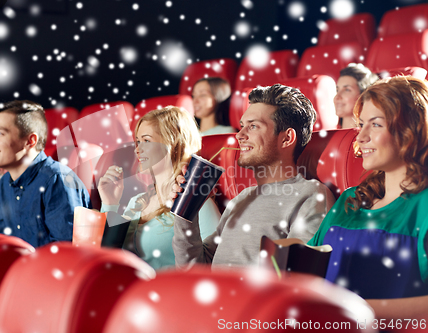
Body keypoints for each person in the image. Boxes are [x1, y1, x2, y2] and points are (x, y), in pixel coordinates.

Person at [171, 84, 336, 269]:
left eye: (253, 126)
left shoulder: (311, 194)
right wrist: (186, 215)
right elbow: (194, 270)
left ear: (287, 138)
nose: (240, 135)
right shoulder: (241, 198)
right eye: (242, 126)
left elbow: (292, 277)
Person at [308, 76, 428, 320]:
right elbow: (309, 266)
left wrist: (350, 313)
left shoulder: (423, 206)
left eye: (375, 124)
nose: (360, 137)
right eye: (361, 124)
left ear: (411, 130)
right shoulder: (350, 200)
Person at [99, 106, 220, 270]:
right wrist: (110, 203)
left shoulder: (198, 206)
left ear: (173, 143)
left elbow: (214, 266)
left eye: (146, 141)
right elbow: (105, 254)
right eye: (137, 141)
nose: (137, 149)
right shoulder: (137, 201)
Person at [0, 100, 91, 247]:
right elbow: (2, 243)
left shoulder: (57, 179)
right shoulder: (4, 183)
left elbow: (67, 254)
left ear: (30, 140)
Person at [334, 63, 378, 129]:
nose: (337, 97)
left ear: (363, 96)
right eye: (337, 90)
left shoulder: (371, 137)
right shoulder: (329, 136)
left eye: (347, 90)